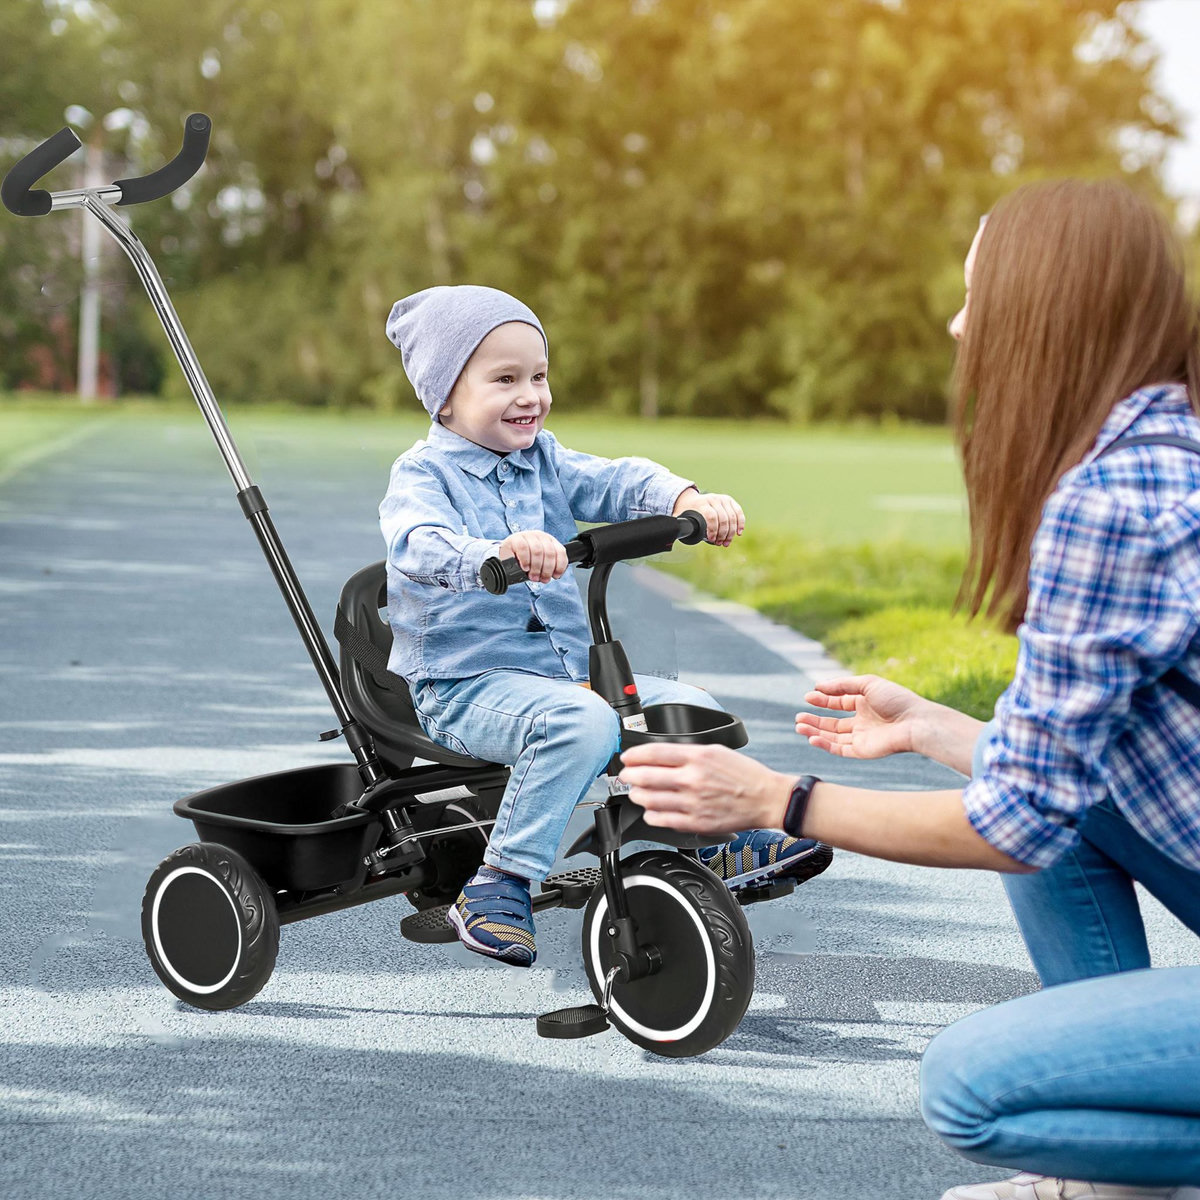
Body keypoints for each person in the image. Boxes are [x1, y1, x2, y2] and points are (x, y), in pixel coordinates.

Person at [617, 180, 1200, 1197]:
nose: (959, 326)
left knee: (972, 1089)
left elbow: (1013, 825)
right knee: (1035, 783)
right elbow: (1061, 774)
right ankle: (1111, 1184)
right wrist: (935, 728)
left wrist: (777, 800)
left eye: (979, 296)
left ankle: (1115, 1170)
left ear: (1046, 312)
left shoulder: (1111, 502)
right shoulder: (1165, 450)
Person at [380, 284, 830, 967]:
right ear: (444, 398)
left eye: (538, 376)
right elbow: (417, 542)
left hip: (562, 676)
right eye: (505, 380)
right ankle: (498, 880)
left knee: (690, 707)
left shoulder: (544, 461)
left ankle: (709, 839)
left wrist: (685, 498)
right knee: (585, 722)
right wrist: (492, 554)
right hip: (466, 686)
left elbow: (615, 480)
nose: (530, 395)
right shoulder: (423, 475)